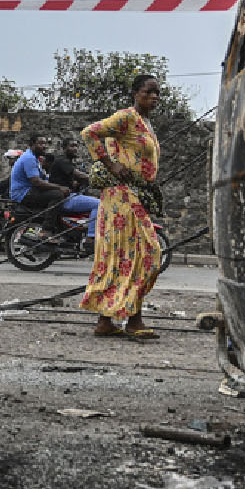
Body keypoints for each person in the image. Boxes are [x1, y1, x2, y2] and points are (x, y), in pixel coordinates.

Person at [78, 75, 166, 339]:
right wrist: (111, 165)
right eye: (149, 92)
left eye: (157, 93)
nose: (154, 97)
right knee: (147, 251)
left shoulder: (145, 123)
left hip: (135, 195)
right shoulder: (126, 117)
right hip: (121, 198)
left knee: (124, 256)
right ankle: (132, 319)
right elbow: (89, 133)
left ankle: (108, 320)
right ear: (135, 93)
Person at [9, 135, 98, 232]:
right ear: (32, 145)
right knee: (57, 195)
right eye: (41, 143)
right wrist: (60, 188)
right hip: (23, 193)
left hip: (28, 191)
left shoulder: (34, 158)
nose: (44, 146)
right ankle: (47, 229)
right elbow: (36, 182)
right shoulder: (30, 158)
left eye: (45, 143)